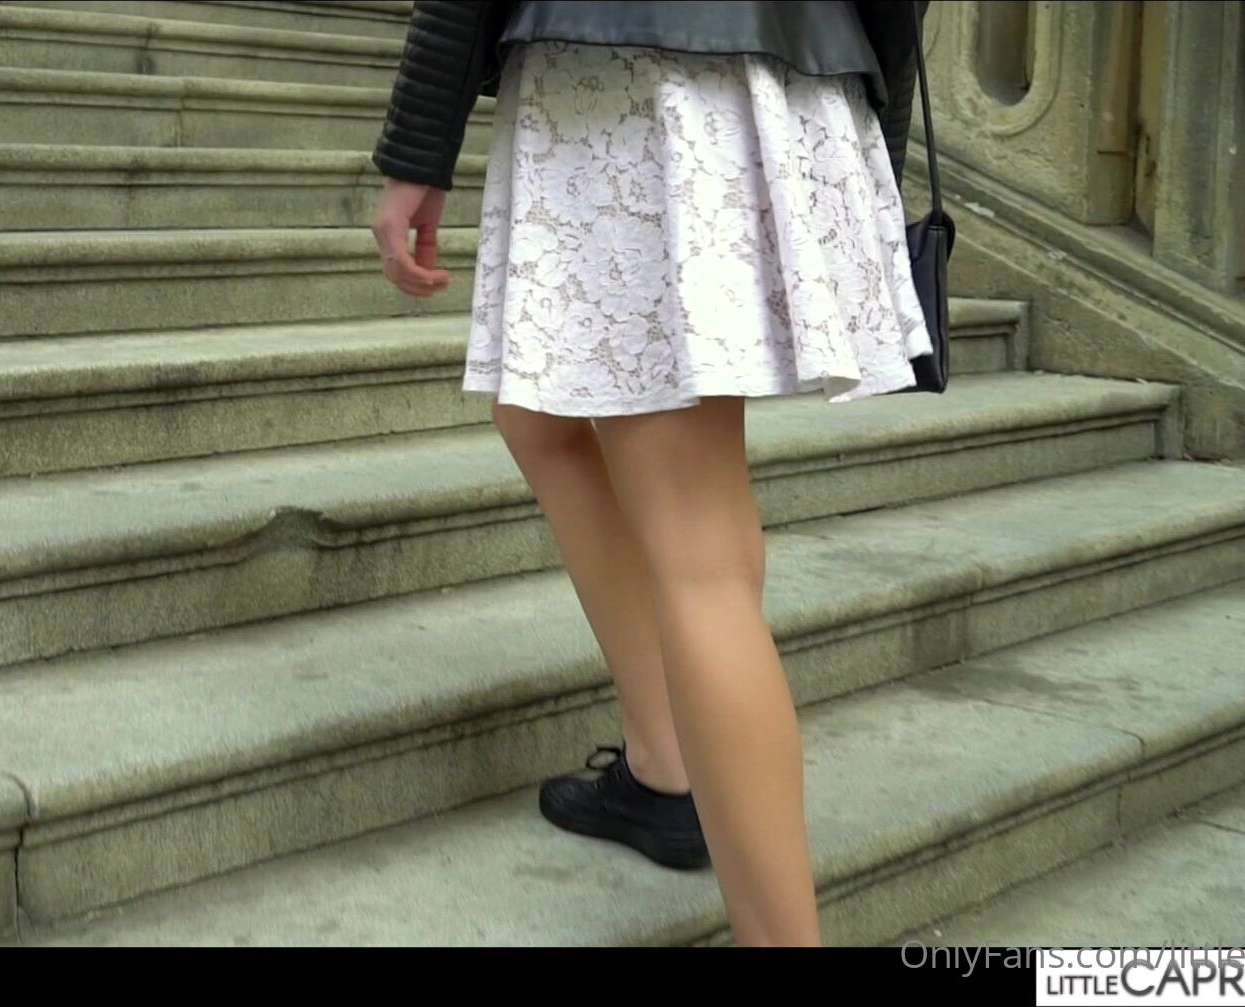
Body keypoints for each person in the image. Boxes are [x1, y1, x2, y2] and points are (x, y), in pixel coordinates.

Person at [368, 1, 933, 947]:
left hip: (634, 78)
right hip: (775, 62)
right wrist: (877, 120)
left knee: (695, 538)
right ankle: (666, 765)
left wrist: (416, 148)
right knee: (536, 410)